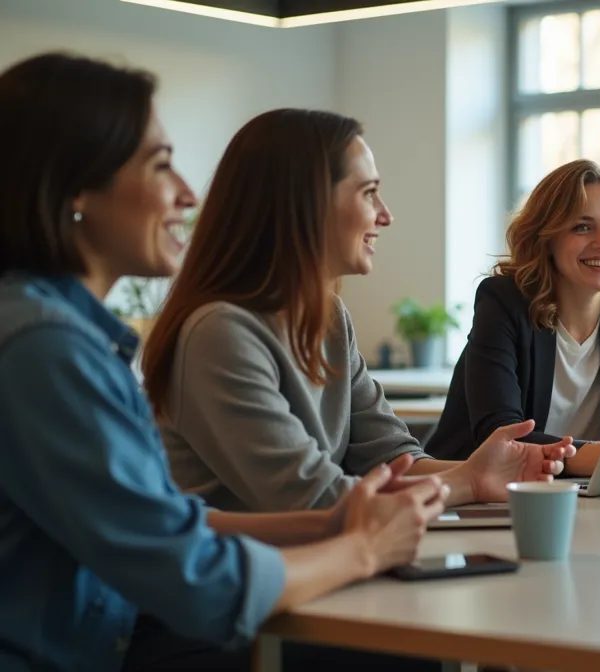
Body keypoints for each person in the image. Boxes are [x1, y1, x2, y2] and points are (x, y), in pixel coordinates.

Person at [0, 51, 448, 672]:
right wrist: (363, 548)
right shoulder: (46, 349)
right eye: (161, 164)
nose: (188, 193)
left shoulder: (64, 338)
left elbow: (173, 523)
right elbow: (197, 580)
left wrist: (338, 522)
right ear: (76, 186)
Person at [140, 109, 573, 516]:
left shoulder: (329, 318)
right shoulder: (219, 332)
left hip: (322, 561)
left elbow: (391, 456)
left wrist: (481, 473)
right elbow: (311, 497)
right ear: (307, 204)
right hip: (255, 570)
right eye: (369, 193)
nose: (385, 215)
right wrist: (467, 483)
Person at [423, 159, 600, 477]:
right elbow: (502, 436)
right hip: (479, 491)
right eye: (582, 227)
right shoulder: (504, 303)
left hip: (589, 491)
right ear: (547, 239)